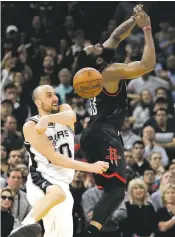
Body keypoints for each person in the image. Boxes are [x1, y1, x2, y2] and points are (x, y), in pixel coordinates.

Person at [77, 6, 156, 237]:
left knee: (112, 191)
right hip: (105, 133)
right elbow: (146, 65)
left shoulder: (92, 70)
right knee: (117, 189)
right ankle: (91, 232)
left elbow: (116, 36)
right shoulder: (108, 72)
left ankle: (94, 229)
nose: (100, 43)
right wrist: (147, 29)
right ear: (98, 58)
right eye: (96, 47)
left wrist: (133, 19)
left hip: (92, 133)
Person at [9, 84, 109, 237]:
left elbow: (72, 116)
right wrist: (91, 167)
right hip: (40, 179)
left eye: (55, 94)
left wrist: (48, 118)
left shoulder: (64, 110)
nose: (55, 98)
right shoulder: (30, 125)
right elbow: (55, 158)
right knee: (57, 194)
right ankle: (24, 227)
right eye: (49, 95)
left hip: (64, 184)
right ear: (38, 103)